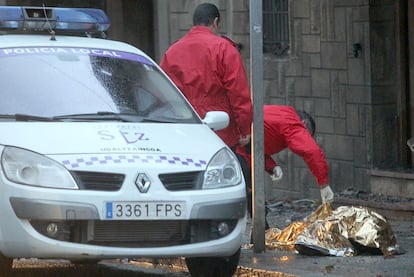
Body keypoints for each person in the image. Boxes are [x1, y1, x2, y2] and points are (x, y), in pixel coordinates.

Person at [160, 3, 253, 151]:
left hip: (185, 128)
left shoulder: (172, 52)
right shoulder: (224, 49)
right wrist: (244, 129)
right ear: (215, 22)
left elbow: (163, 94)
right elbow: (238, 94)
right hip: (220, 130)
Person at [237, 105, 334, 226]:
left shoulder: (281, 112)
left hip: (236, 143)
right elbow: (312, 151)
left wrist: (272, 167)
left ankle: (261, 231)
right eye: (306, 134)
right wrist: (323, 184)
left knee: (252, 193)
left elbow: (254, 146)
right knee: (247, 194)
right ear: (304, 124)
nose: (305, 137)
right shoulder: (293, 123)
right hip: (237, 146)